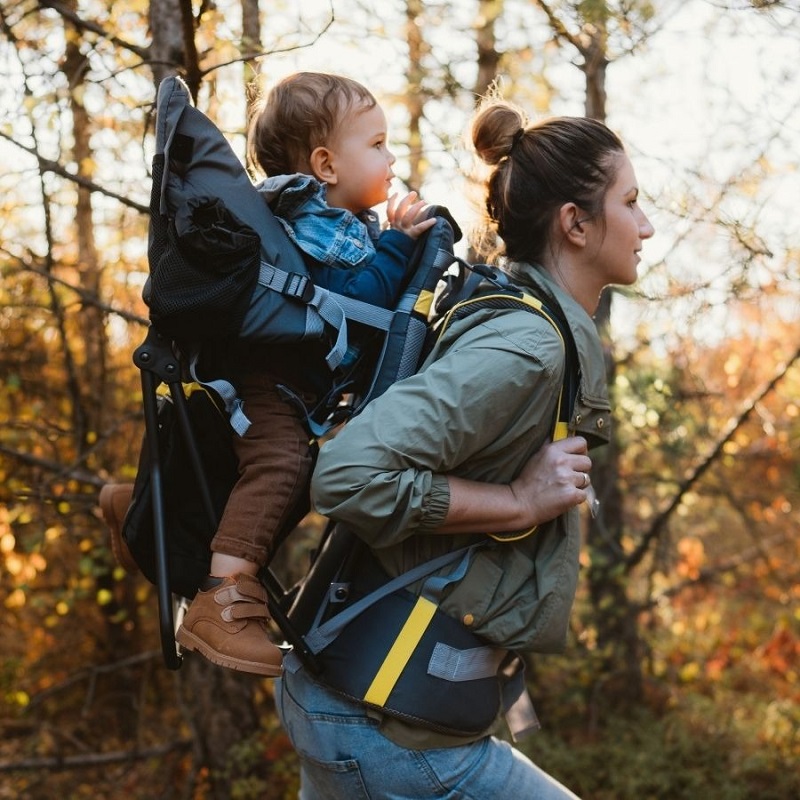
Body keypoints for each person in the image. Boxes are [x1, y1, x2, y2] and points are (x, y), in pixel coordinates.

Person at [275, 95, 655, 799]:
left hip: (359, 704)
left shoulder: (536, 327)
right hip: (387, 732)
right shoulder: (526, 346)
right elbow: (348, 474)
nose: (647, 225)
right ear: (575, 223)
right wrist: (516, 501)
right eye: (630, 203)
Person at [96, 72, 437, 676]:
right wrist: (401, 247)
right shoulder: (317, 219)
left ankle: (142, 510)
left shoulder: (328, 218)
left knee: (289, 477)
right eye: (378, 144)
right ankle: (221, 606)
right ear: (327, 164)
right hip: (269, 386)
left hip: (277, 384)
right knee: (281, 466)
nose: (391, 157)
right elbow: (352, 298)